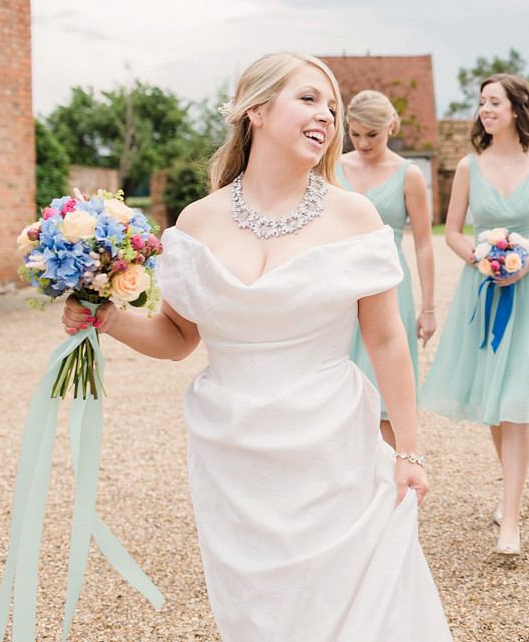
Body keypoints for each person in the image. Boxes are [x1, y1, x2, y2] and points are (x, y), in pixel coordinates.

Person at [63, 52, 451, 641]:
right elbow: (176, 338)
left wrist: (410, 450)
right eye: (308, 99)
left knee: (355, 602)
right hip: (234, 457)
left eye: (331, 105)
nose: (326, 115)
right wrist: (107, 318)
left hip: (332, 447)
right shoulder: (196, 222)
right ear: (257, 111)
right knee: (260, 613)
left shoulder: (353, 215)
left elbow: (385, 337)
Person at [418, 74, 529, 557]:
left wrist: (526, 263)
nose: (485, 109)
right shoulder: (468, 165)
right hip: (479, 289)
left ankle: (511, 517)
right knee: (491, 399)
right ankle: (512, 491)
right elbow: (453, 231)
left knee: (516, 399)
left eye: (494, 102)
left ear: (517, 109)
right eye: (481, 102)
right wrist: (481, 259)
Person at [337, 89, 437, 448]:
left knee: (388, 394)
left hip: (393, 288)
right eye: (355, 133)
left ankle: (394, 488)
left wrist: (428, 308)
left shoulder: (408, 175)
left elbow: (424, 243)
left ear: (391, 127)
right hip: (340, 286)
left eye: (372, 135)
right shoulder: (332, 169)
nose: (362, 143)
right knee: (337, 391)